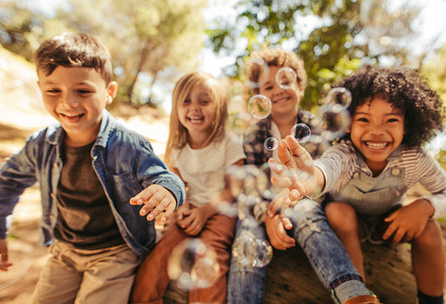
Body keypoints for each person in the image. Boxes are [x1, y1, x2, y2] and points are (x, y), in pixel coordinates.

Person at [0, 33, 186, 303]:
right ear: (40, 88)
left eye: (83, 91)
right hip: (65, 250)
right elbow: (7, 181)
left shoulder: (129, 145)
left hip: (115, 253)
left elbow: (167, 179)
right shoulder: (41, 144)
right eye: (54, 91)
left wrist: (166, 191)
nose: (68, 102)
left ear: (109, 92)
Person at [269, 65, 446, 304]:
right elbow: (327, 168)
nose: (377, 132)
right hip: (349, 224)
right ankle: (358, 296)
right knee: (338, 211)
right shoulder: (345, 153)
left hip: (389, 223)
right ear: (348, 124)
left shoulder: (413, 158)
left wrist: (424, 206)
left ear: (407, 126)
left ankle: (433, 301)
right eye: (364, 119)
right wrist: (312, 175)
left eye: (391, 120)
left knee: (429, 227)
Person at [227, 47, 380, 304]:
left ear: (299, 87)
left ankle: (355, 296)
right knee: (247, 237)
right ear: (259, 97)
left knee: (308, 215)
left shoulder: (318, 128)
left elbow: (325, 181)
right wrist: (268, 217)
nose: (277, 90)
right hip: (262, 208)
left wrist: (293, 198)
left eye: (285, 81)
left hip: (304, 202)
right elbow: (250, 186)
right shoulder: (254, 135)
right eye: (267, 86)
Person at [129, 72, 245, 304]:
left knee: (212, 253)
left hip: (222, 209)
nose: (194, 108)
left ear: (220, 108)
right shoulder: (177, 149)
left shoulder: (229, 143)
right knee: (163, 249)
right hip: (190, 207)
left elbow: (234, 190)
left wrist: (204, 213)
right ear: (176, 108)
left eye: (204, 101)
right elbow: (178, 185)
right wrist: (183, 207)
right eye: (186, 101)